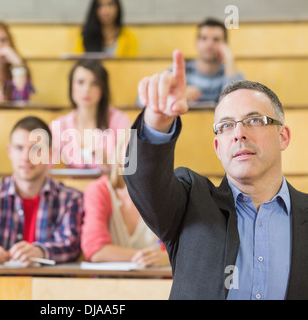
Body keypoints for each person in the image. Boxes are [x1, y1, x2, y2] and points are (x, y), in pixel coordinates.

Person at [124, 49, 308, 299]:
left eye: (254, 120)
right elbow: (146, 181)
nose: (239, 133)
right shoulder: (189, 203)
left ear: (283, 136)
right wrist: (157, 122)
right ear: (217, 147)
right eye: (226, 125)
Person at [0, 116, 84, 266]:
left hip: (49, 287)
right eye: (19, 148)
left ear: (50, 154)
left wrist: (41, 252)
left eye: (36, 149)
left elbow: (71, 246)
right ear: (9, 151)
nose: (26, 157)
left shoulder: (70, 199)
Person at [81, 133, 169, 267]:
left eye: (146, 149)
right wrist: (149, 258)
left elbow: (183, 251)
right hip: (106, 284)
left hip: (156, 285)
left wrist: (166, 259)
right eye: (131, 149)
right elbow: (95, 249)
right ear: (118, 156)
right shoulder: (100, 190)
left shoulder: (168, 194)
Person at [51, 59, 131, 172]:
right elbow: (45, 164)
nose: (86, 89)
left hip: (108, 187)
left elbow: (129, 168)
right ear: (71, 86)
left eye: (95, 83)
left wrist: (111, 165)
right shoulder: (60, 125)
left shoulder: (119, 120)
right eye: (80, 82)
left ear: (103, 89)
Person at [181, 18, 244, 103]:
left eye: (216, 39)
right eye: (204, 38)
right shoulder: (180, 71)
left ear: (225, 45)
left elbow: (236, 103)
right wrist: (178, 95)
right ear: (196, 42)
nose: (209, 44)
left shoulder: (234, 74)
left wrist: (229, 59)